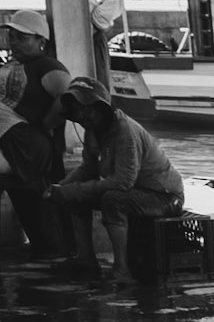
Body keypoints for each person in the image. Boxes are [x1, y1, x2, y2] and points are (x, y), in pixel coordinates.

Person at [48, 76, 184, 291]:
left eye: (87, 109)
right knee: (74, 197)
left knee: (113, 199)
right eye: (78, 110)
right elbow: (88, 168)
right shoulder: (92, 130)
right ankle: (85, 259)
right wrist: (61, 188)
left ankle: (122, 272)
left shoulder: (125, 131)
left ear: (102, 109)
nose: (82, 115)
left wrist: (74, 190)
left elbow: (123, 182)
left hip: (164, 197)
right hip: (137, 191)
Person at [0, 8, 70, 256]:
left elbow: (68, 98)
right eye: (12, 37)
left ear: (41, 41)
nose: (14, 43)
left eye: (22, 38)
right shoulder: (11, 65)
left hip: (26, 142)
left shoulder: (47, 66)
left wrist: (45, 126)